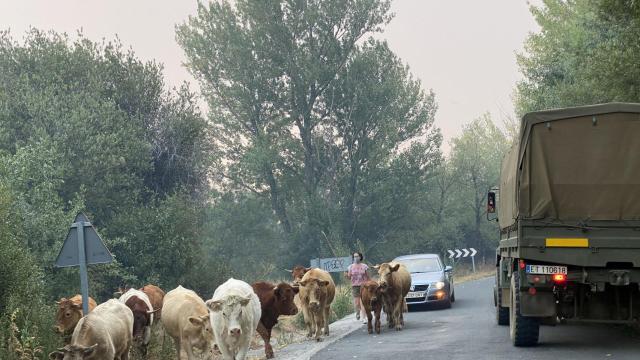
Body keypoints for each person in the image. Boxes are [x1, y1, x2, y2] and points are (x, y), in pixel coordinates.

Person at [345, 251, 369, 323]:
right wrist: (347, 275)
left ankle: (364, 318)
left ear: (360, 257)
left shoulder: (364, 266)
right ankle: (357, 312)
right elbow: (348, 277)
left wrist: (370, 283)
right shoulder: (350, 267)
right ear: (353, 258)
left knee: (363, 302)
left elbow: (367, 276)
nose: (356, 258)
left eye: (357, 256)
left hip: (363, 286)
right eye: (355, 256)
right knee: (357, 303)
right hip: (355, 286)